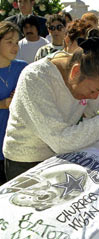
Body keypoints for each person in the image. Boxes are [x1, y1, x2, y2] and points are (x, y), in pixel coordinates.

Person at [3, 36, 99, 181]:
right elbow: (61, 141)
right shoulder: (36, 77)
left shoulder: (90, 74)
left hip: (60, 157)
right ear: (75, 72)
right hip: (26, 162)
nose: (94, 97)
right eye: (93, 91)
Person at [0, 21, 27, 184]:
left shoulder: (23, 68)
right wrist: (3, 103)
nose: (15, 46)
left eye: (16, 42)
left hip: (16, 146)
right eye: (9, 41)